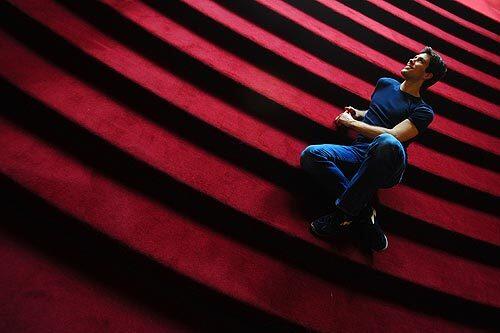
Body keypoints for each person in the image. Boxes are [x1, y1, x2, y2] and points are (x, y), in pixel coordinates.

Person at [300, 46, 447, 252]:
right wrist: (358, 114)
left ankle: (342, 215)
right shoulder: (385, 84)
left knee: (387, 141)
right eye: (414, 57)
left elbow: (395, 134)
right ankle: (362, 212)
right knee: (311, 154)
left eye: (420, 61)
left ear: (427, 75)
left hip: (388, 164)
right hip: (358, 152)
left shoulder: (423, 110)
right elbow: (376, 112)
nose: (412, 60)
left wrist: (351, 124)